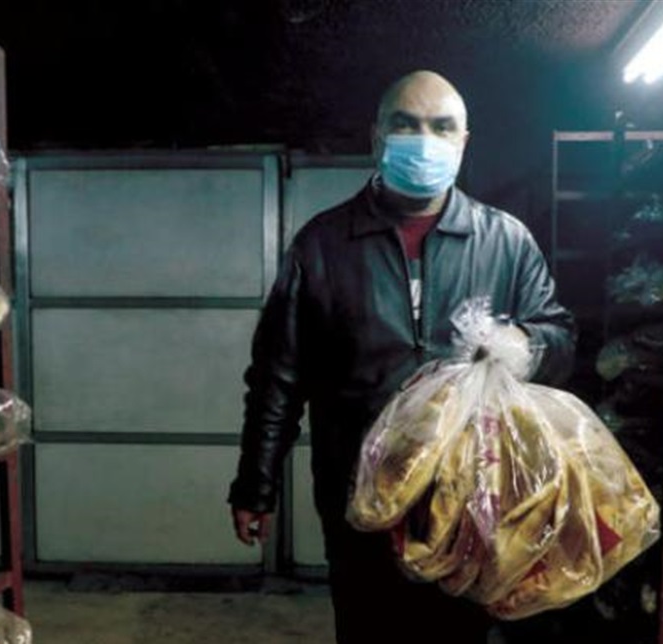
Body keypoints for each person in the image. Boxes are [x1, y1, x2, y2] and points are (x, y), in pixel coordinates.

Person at [228, 69, 576, 643]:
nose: (424, 139)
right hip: (359, 499)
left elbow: (560, 339)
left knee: (458, 633)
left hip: (469, 498)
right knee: (367, 626)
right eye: (406, 124)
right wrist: (255, 486)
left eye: (442, 126)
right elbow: (278, 377)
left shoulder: (506, 241)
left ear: (463, 141)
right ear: (377, 138)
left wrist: (525, 345)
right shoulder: (323, 245)